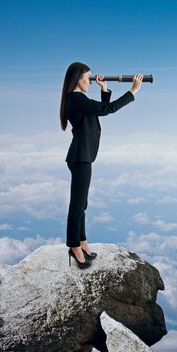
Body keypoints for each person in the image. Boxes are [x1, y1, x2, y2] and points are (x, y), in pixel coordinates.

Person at [59, 62, 143, 268]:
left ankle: (83, 242)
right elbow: (108, 109)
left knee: (82, 204)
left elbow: (98, 111)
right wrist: (132, 91)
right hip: (80, 157)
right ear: (77, 78)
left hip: (83, 156)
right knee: (77, 205)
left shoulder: (79, 100)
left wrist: (104, 90)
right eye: (87, 76)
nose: (90, 80)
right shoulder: (76, 98)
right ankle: (74, 247)